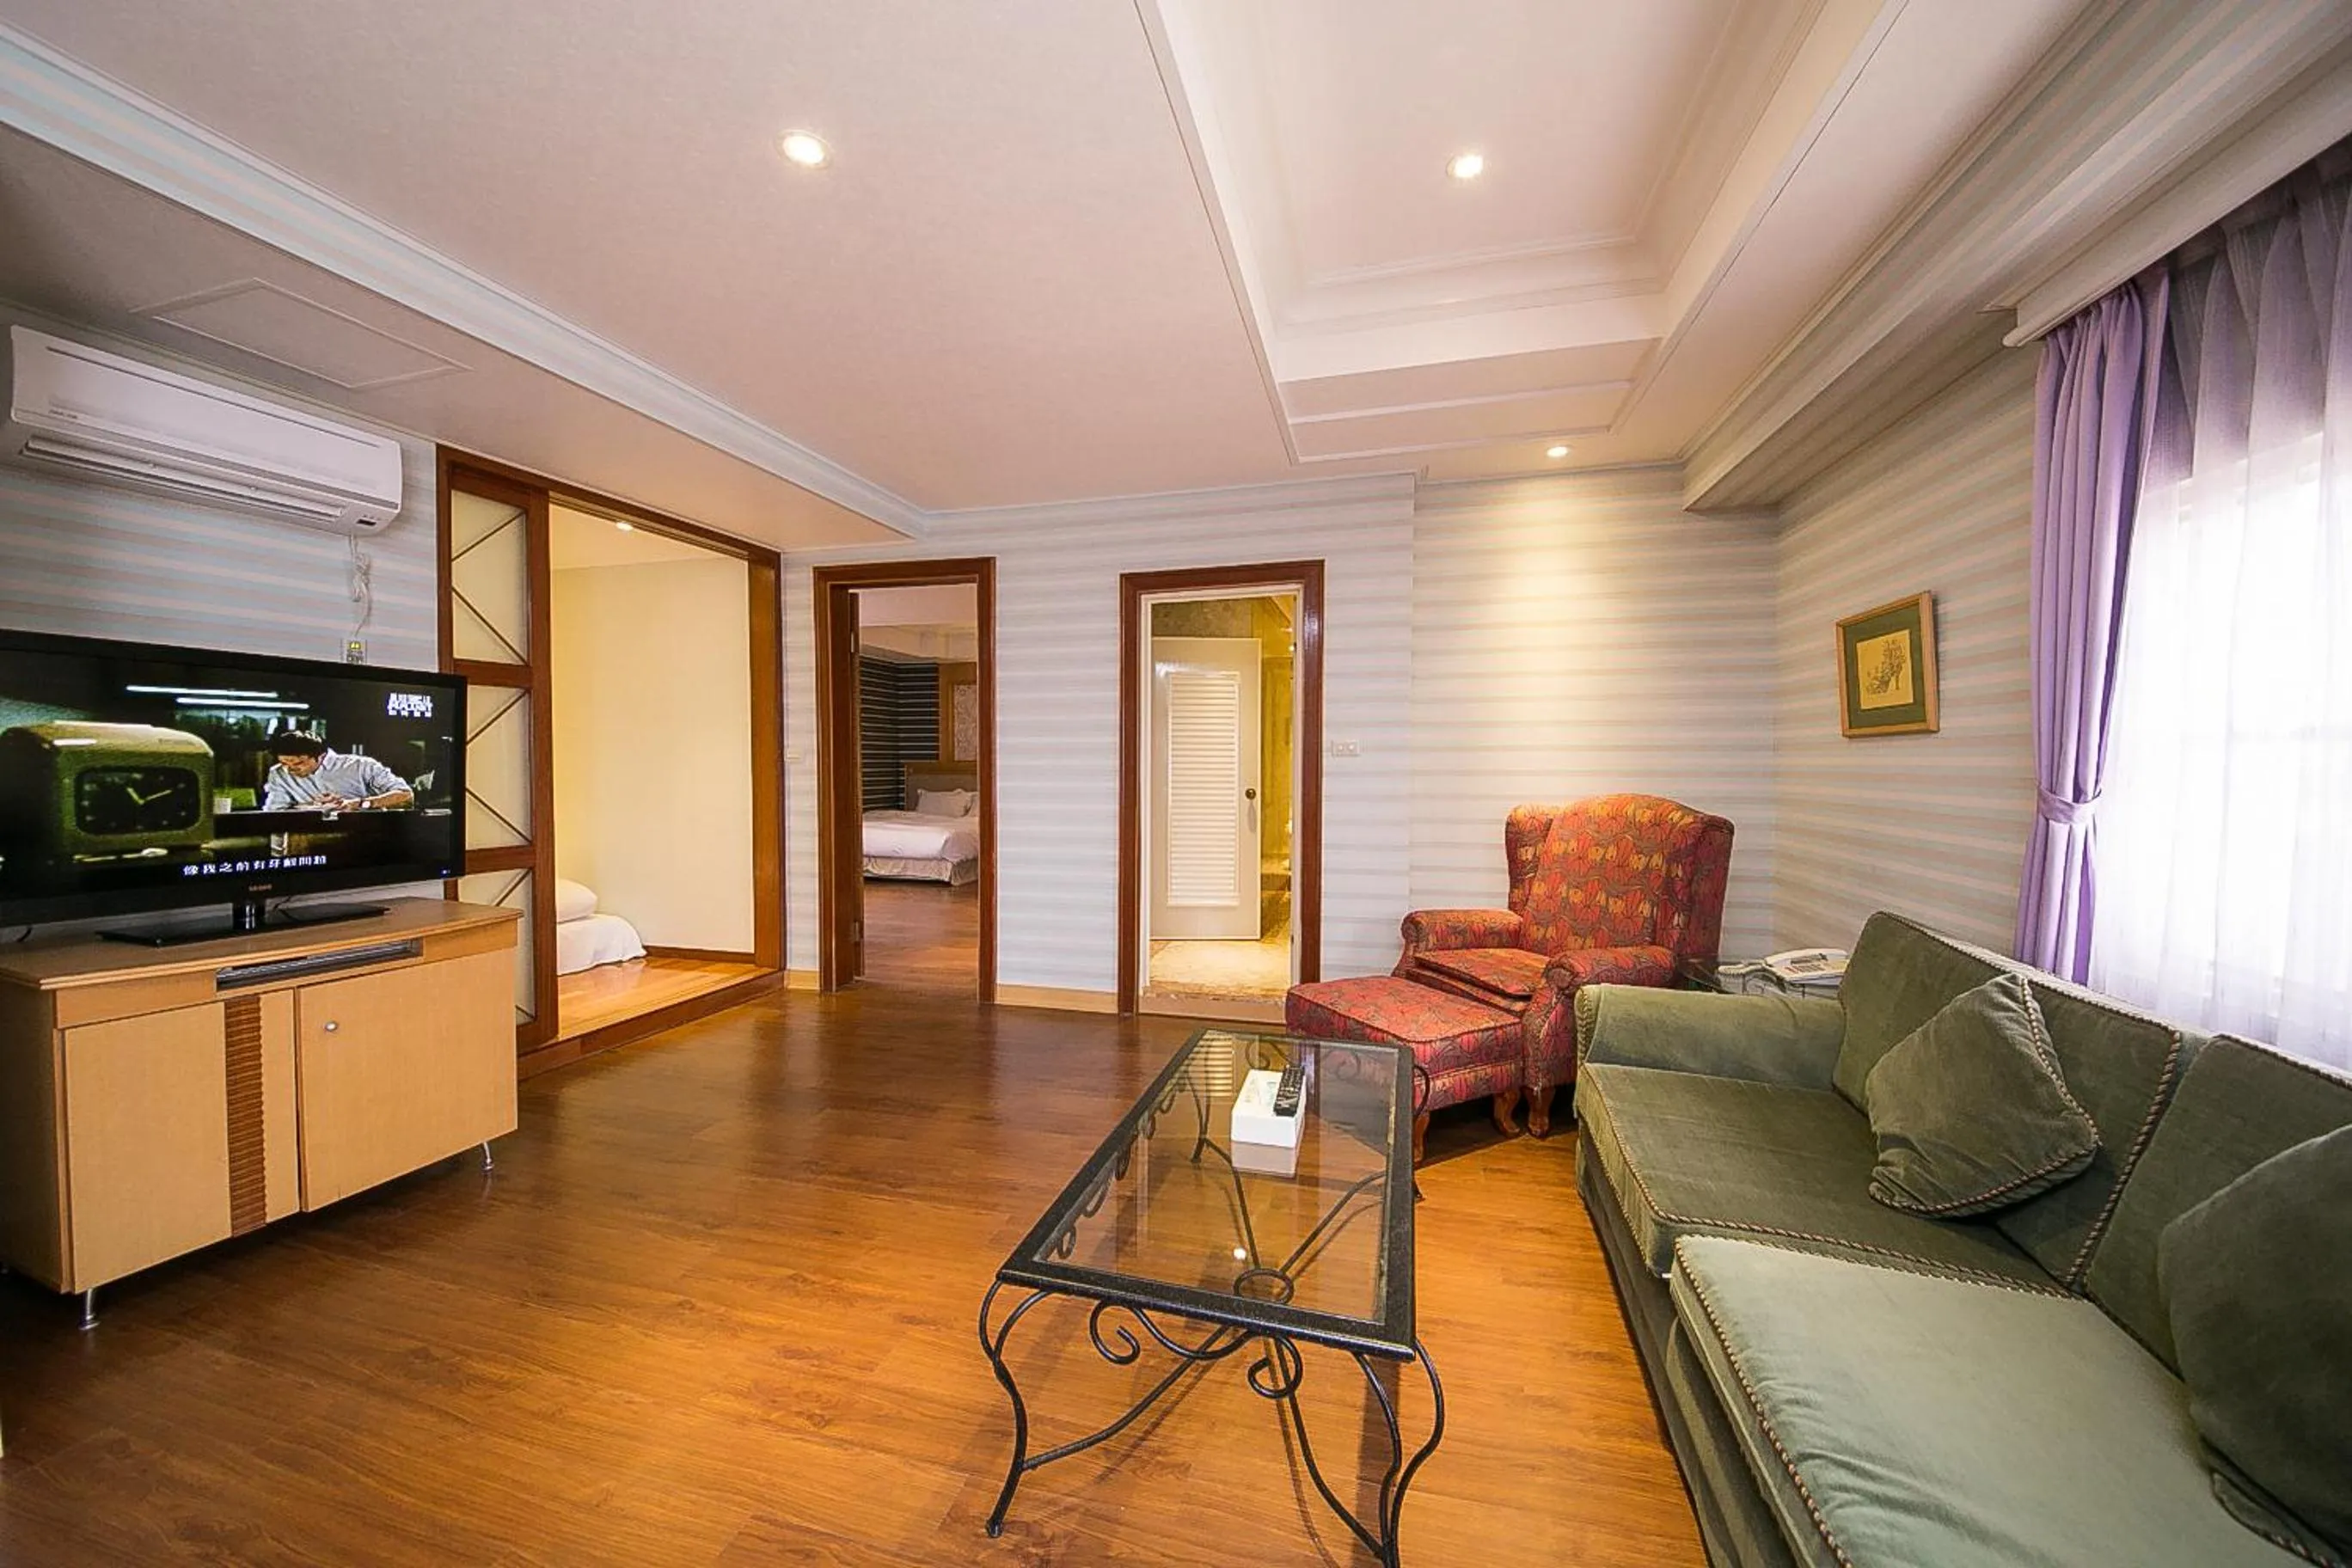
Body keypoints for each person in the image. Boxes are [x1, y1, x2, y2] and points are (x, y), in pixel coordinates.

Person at [260, 732, 414, 812]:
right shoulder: (278, 773)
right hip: (307, 841)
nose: (289, 769)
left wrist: (362, 803)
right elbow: (275, 811)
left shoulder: (361, 766)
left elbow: (406, 796)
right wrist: (311, 808)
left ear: (320, 757)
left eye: (298, 763)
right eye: (284, 763)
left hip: (366, 836)